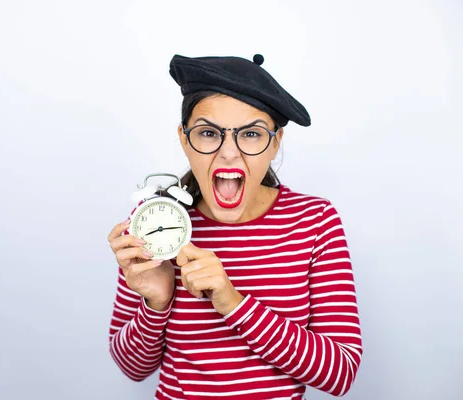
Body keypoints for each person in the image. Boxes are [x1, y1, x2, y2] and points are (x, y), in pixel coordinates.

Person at [107, 53, 362, 399]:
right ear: (184, 139)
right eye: (209, 132)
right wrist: (157, 302)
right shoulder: (156, 222)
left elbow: (340, 373)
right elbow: (131, 368)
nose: (229, 153)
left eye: (251, 134)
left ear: (275, 143)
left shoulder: (315, 222)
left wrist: (234, 304)